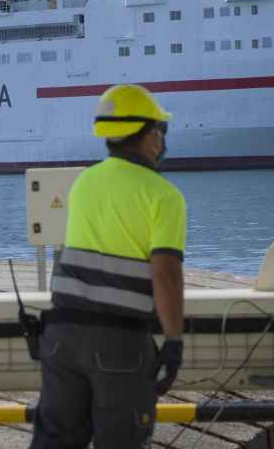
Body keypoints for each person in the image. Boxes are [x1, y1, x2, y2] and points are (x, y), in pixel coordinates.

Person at [29, 83, 186, 449]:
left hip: (61, 337)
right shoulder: (164, 196)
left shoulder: (84, 183)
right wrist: (174, 341)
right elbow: (165, 274)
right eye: (161, 131)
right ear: (149, 136)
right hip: (119, 343)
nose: (162, 141)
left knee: (54, 441)